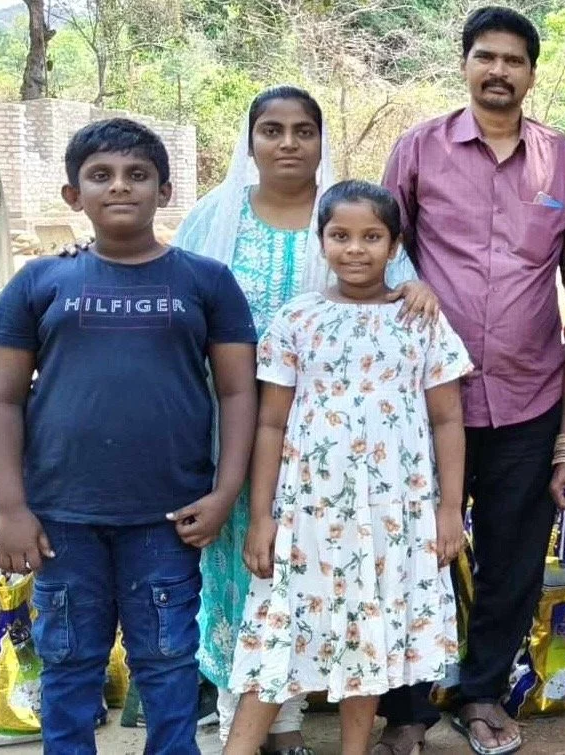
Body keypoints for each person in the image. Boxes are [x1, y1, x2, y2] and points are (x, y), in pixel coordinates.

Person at [170, 85, 439, 753]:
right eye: (271, 129)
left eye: (302, 130)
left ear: (322, 141)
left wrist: (420, 286)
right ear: (250, 139)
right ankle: (246, 713)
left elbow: (399, 298)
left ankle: (288, 720)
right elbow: (173, 298)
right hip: (236, 427)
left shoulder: (347, 218)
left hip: (338, 449)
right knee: (245, 564)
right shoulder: (212, 219)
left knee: (319, 574)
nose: (287, 142)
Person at [0, 118, 259, 754]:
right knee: (70, 665)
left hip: (168, 516)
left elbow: (240, 391)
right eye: (100, 176)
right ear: (73, 196)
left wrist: (226, 490)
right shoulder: (41, 282)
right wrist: (11, 508)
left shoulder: (205, 282)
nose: (120, 188)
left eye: (138, 175)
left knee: (166, 665)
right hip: (60, 519)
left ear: (164, 190)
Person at [374, 7, 565, 754]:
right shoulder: (419, 148)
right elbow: (379, 245)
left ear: (532, 73)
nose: (498, 71)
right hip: (424, 396)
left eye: (513, 60)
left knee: (511, 555)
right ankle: (405, 707)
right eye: (485, 57)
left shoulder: (562, 162)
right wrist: (408, 284)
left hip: (529, 394)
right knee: (413, 552)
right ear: (464, 64)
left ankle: (480, 694)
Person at [221, 180, 470, 755]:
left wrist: (449, 508)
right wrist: (261, 517)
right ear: (321, 240)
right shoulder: (296, 321)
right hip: (309, 512)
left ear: (394, 244)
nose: (355, 249)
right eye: (340, 236)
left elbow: (447, 422)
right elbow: (270, 424)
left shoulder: (421, 320)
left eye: (371, 237)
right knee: (276, 633)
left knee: (368, 640)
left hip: (393, 515)